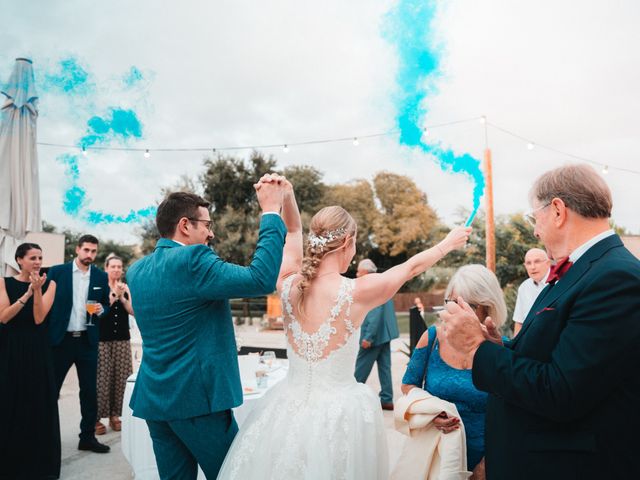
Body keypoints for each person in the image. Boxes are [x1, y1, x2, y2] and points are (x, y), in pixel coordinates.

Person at [218, 175, 471, 480]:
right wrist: (448, 243)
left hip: (286, 408)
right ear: (348, 242)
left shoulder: (287, 284)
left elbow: (294, 229)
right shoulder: (356, 292)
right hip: (337, 418)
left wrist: (289, 197)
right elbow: (411, 267)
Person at [442, 164, 640, 480]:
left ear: (558, 210)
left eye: (536, 218)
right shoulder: (584, 271)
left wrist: (478, 349)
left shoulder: (614, 277)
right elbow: (557, 357)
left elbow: (562, 391)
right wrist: (499, 348)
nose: (536, 230)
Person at [126, 182, 287, 480]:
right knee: (234, 474)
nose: (211, 233)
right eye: (207, 225)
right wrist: (270, 213)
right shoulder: (193, 260)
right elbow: (261, 278)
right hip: (198, 402)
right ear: (185, 225)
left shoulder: (136, 270)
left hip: (156, 399)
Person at [401, 264, 507, 478]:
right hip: (437, 456)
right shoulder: (432, 338)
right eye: (452, 302)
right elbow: (408, 385)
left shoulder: (501, 349)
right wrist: (430, 413)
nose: (457, 310)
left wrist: (488, 464)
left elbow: (512, 413)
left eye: (467, 304)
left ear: (487, 307)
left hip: (487, 460)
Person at [0, 243, 61, 479]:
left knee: (37, 402)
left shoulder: (51, 284)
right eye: (32, 257)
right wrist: (26, 293)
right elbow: (4, 317)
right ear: (19, 260)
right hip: (11, 350)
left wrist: (37, 290)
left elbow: (38, 318)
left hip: (38, 351)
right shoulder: (4, 282)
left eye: (40, 257)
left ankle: (39, 464)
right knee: (11, 401)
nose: (37, 261)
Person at [47, 234, 111, 453]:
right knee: (51, 390)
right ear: (77, 249)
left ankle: (87, 437)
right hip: (60, 341)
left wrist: (103, 310)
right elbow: (45, 303)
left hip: (87, 341)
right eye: (86, 250)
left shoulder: (101, 277)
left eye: (93, 251)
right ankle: (45, 438)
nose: (90, 255)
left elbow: (104, 304)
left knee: (89, 392)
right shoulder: (57, 272)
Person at [354, 258, 399, 410]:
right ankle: (386, 399)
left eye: (359, 271)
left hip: (375, 336)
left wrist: (368, 336)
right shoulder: (382, 282)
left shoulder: (371, 285)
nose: (357, 274)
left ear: (366, 272)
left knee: (361, 368)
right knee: (385, 367)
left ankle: (351, 396)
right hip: (385, 334)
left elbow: (375, 312)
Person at [95, 254, 134, 435]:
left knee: (120, 379)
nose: (117, 270)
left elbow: (132, 311)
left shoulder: (125, 288)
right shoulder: (98, 286)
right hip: (101, 339)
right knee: (101, 380)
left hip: (122, 339)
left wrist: (124, 297)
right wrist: (113, 296)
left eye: (120, 267)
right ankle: (95, 418)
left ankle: (114, 416)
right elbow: (94, 311)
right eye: (113, 267)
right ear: (106, 268)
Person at [512, 248, 550, 336]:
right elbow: (519, 322)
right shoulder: (524, 287)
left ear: (548, 263)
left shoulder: (558, 283)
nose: (533, 267)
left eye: (537, 261)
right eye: (528, 263)